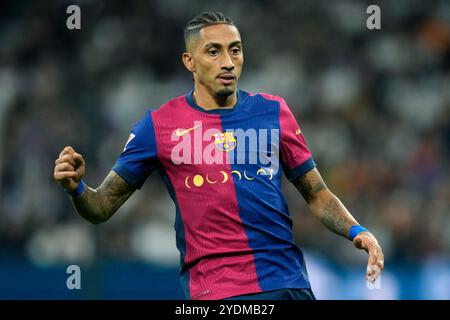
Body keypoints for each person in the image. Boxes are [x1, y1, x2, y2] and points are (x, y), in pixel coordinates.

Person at [53, 11, 384, 300]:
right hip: (217, 292)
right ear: (190, 61)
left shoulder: (274, 111)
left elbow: (317, 195)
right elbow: (100, 208)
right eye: (213, 51)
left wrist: (358, 232)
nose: (228, 62)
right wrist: (77, 189)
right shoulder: (159, 126)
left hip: (288, 283)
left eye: (235, 50)